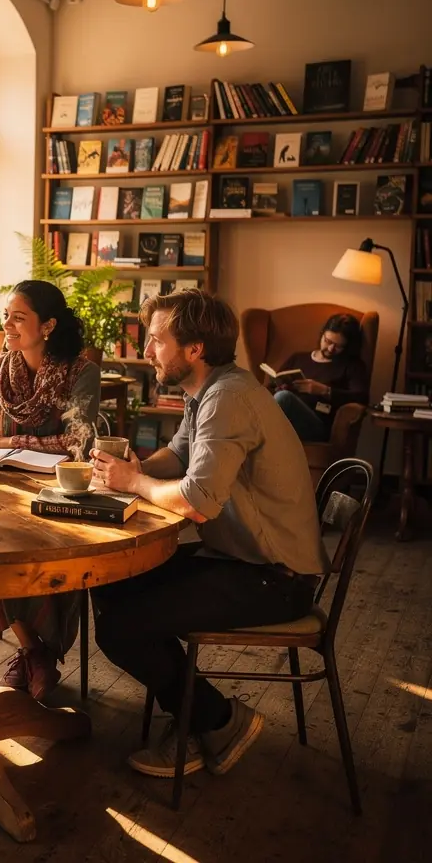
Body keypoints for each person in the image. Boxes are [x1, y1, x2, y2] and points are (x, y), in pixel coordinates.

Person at [89, 288, 329, 780]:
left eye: (156, 341)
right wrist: (133, 466)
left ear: (194, 349)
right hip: (241, 559)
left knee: (119, 627)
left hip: (275, 578)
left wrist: (133, 483)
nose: (147, 351)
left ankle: (218, 720)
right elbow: (176, 457)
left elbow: (197, 503)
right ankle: (195, 716)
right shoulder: (209, 391)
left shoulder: (228, 399)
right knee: (112, 581)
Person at [0, 279, 100, 701]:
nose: (8, 326)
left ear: (49, 325)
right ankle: (33, 651)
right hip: (2, 490)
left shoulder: (82, 372)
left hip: (61, 496)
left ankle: (35, 654)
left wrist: (6, 442)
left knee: (45, 557)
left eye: (19, 318)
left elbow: (78, 443)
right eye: (6, 316)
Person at [268, 313, 368, 442]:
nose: (331, 349)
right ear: (322, 335)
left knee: (284, 398)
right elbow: (270, 387)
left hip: (317, 425)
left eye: (339, 346)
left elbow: (361, 397)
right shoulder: (298, 358)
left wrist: (325, 391)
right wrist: (278, 387)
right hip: (283, 420)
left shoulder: (352, 365)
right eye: (328, 341)